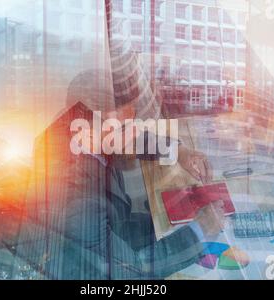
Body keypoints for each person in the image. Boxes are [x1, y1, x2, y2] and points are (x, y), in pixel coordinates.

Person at [30, 69, 226, 279]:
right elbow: (131, 270)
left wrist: (178, 151)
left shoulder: (81, 129)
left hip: (111, 233)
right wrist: (199, 231)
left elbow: (133, 137)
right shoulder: (78, 200)